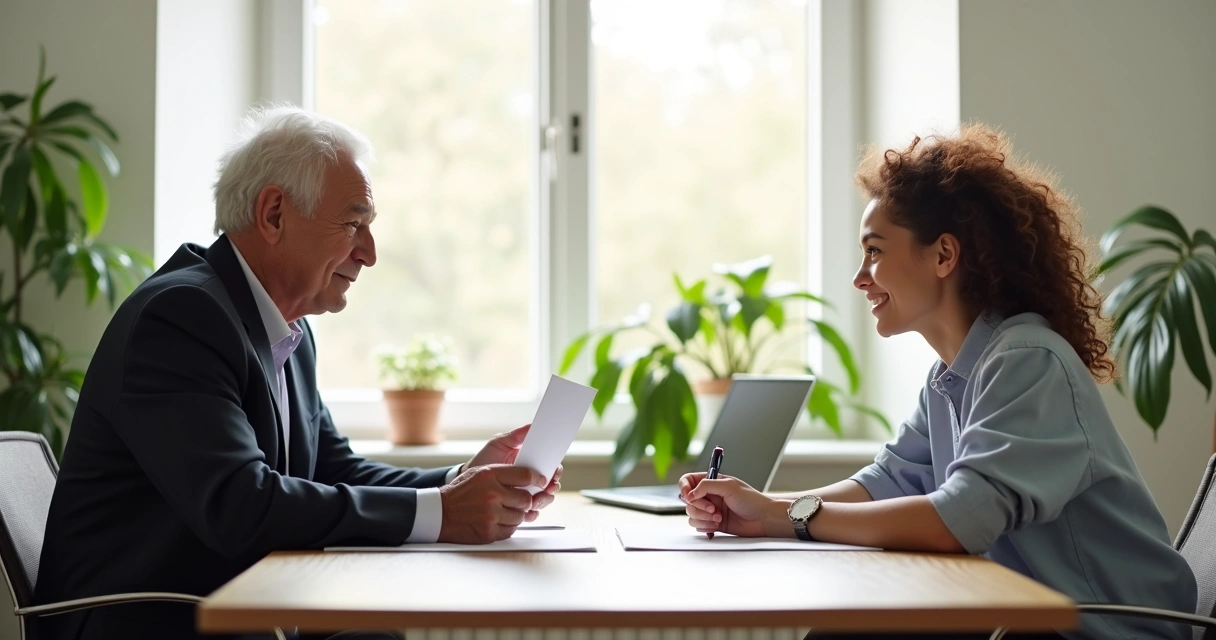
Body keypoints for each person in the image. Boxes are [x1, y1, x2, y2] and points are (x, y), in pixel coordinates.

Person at [35, 106, 560, 640]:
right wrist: (445, 514)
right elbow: (240, 505)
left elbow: (334, 469)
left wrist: (461, 481)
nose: (370, 254)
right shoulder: (179, 318)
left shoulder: (286, 329)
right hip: (145, 623)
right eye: (353, 223)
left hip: (228, 607)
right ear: (274, 215)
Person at [679, 125, 1198, 640]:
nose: (861, 277)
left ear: (944, 256)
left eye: (875, 251)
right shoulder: (951, 376)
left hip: (1104, 632)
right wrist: (755, 508)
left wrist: (781, 515)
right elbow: (885, 483)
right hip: (1021, 619)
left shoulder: (1028, 361)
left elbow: (959, 520)